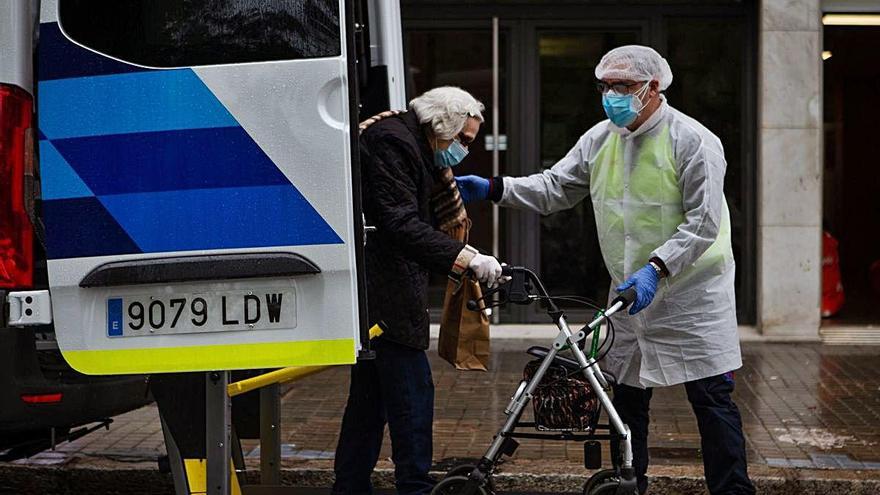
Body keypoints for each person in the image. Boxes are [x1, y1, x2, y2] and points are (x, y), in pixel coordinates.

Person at [456, 46, 756, 495]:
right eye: (606, 86)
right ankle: (630, 485)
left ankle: (733, 490)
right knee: (627, 404)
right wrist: (496, 188)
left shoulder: (693, 140)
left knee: (712, 400)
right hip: (630, 294)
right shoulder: (600, 139)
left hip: (694, 295)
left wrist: (657, 267)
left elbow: (704, 222)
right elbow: (556, 187)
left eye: (624, 87)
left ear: (653, 88)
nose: (612, 95)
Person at [332, 86, 502, 495]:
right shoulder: (395, 142)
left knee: (369, 403)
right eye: (463, 139)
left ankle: (350, 487)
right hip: (386, 293)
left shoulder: (410, 143)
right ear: (442, 123)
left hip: (382, 293)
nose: (463, 150)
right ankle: (413, 487)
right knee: (412, 398)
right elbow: (400, 223)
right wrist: (463, 257)